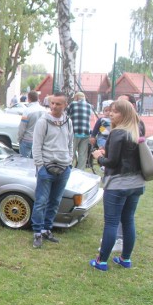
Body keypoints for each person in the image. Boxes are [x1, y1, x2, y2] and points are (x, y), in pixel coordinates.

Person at [90, 99, 145, 271]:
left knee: (112, 223)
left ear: (125, 114)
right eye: (110, 111)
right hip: (136, 184)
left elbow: (111, 162)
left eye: (115, 111)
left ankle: (102, 261)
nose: (111, 114)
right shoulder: (137, 130)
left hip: (118, 184)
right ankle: (125, 259)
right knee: (128, 220)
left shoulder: (117, 133)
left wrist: (98, 156)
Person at [31, 93, 74, 248]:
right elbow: (36, 146)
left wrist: (69, 162)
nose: (54, 106)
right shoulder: (43, 122)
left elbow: (70, 142)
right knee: (41, 201)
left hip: (64, 167)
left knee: (55, 202)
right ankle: (37, 232)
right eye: (52, 103)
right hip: (46, 167)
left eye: (58, 104)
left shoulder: (68, 122)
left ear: (65, 105)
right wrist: (40, 166)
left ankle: (46, 229)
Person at [66, 91, 93, 169]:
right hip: (86, 132)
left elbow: (66, 116)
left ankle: (68, 168)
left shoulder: (73, 104)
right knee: (82, 154)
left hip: (75, 131)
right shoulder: (89, 106)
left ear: (76, 98)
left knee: (71, 152)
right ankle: (81, 170)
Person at [17, 90, 47, 158]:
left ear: (29, 98)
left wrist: (19, 138)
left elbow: (22, 127)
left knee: (24, 162)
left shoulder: (27, 111)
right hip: (39, 140)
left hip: (27, 139)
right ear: (37, 98)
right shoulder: (44, 110)